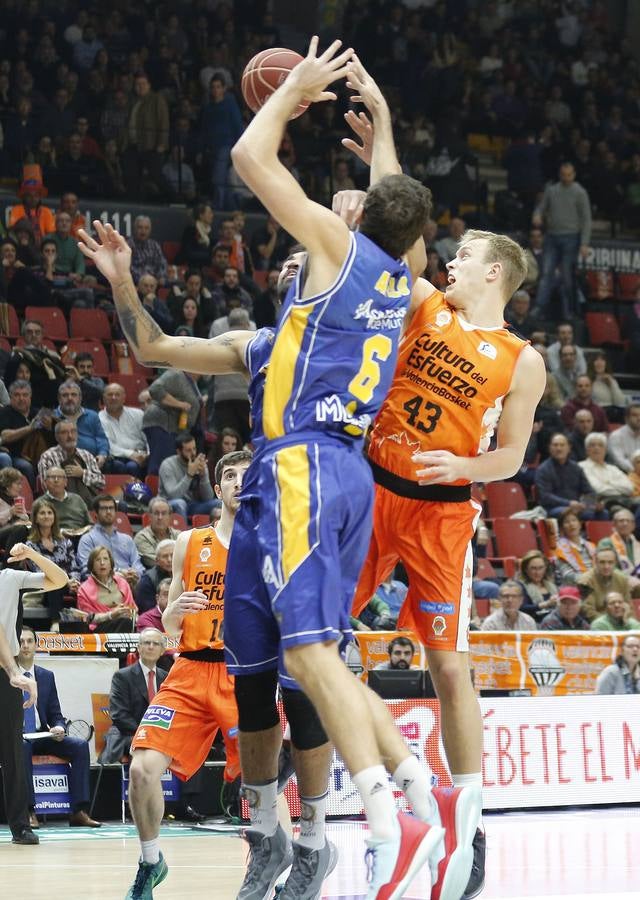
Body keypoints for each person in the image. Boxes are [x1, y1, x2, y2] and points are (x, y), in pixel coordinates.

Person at [78, 47, 462, 900]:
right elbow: (147, 347)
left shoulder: (344, 264)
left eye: (348, 209)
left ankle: (372, 814)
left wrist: (291, 93)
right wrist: (122, 282)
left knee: (308, 669)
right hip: (281, 486)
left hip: (316, 467)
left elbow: (260, 164)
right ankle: (272, 837)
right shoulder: (333, 308)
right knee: (262, 675)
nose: (322, 227)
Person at [344, 87, 545, 900]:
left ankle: (470, 819)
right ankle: (355, 803)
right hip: (369, 493)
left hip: (439, 514)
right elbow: (400, 219)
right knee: (316, 639)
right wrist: (387, 133)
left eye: (464, 256)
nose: (449, 261)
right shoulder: (426, 304)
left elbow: (511, 460)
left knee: (448, 665)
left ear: (494, 272)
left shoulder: (523, 360)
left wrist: (463, 470)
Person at [124, 451, 250, 899]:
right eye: (230, 476)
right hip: (191, 670)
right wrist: (171, 613)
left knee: (263, 783)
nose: (239, 483)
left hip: (244, 674)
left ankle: (273, 869)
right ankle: (150, 861)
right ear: (218, 490)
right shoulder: (191, 542)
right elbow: (170, 626)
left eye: (247, 476)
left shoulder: (272, 542)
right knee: (141, 770)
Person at [0, 542, 67, 845]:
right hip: (9, 670)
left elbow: (60, 580)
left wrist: (31, 554)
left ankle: (20, 825)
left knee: (13, 751)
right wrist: (15, 671)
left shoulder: (10, 578)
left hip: (5, 672)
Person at [18, 626, 101, 828]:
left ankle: (78, 811)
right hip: (17, 737)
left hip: (42, 734)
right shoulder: (7, 676)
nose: (26, 645)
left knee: (80, 746)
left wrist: (58, 727)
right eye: (21, 641)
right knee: (22, 746)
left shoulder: (46, 676)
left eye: (30, 641)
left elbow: (55, 713)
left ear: (37, 645)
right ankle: (28, 811)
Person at [100, 629, 169, 765]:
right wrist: (146, 733)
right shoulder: (122, 677)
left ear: (162, 651)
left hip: (159, 735)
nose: (150, 646)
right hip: (127, 734)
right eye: (146, 643)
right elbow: (119, 715)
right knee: (149, 749)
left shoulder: (167, 678)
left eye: (156, 644)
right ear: (138, 648)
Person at [533, 162, 591, 319]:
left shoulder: (580, 192)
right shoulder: (552, 190)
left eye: (569, 175)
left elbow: (586, 219)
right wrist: (537, 215)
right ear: (560, 175)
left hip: (571, 237)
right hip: (552, 236)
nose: (566, 178)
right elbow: (541, 207)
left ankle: (570, 310)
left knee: (567, 276)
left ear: (574, 174)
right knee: (546, 273)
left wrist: (584, 243)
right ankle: (539, 307)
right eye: (564, 175)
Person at [26, 498, 81, 627]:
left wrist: (73, 581)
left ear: (54, 517)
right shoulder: (31, 545)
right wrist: (64, 581)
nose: (46, 516)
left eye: (49, 513)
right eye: (42, 513)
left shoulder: (65, 542)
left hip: (69, 585)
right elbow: (39, 570)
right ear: (36, 518)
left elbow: (74, 567)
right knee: (54, 585)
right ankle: (55, 623)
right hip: (46, 585)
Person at [142, 368, 203, 475]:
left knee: (169, 464)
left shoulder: (194, 384)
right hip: (162, 423)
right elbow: (155, 389)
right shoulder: (176, 374)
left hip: (175, 428)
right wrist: (179, 404)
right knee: (161, 463)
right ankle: (153, 489)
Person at [534, 432, 604, 520]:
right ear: (549, 448)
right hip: (553, 508)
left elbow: (589, 491)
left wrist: (588, 504)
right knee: (569, 513)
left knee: (603, 513)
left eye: (562, 445)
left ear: (569, 448)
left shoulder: (576, 468)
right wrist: (569, 503)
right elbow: (545, 496)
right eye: (555, 445)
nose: (559, 448)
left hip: (576, 506)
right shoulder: (543, 469)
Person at [77, 494, 144, 584]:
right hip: (102, 585)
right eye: (104, 508)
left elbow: (138, 564)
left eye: (111, 508)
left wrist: (136, 574)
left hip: (130, 584)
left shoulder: (127, 539)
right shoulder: (87, 539)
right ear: (96, 514)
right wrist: (117, 574)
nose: (108, 512)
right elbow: (87, 570)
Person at [158, 432, 218, 521]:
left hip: (192, 505)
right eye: (188, 450)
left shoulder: (199, 463)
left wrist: (203, 476)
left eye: (194, 448)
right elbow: (173, 495)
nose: (193, 453)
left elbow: (208, 497)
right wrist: (189, 475)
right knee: (180, 503)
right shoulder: (168, 465)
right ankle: (183, 534)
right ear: (179, 451)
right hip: (168, 503)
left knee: (219, 503)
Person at [579, 433, 638, 522]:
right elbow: (597, 489)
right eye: (592, 445)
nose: (596, 448)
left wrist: (607, 483)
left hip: (624, 500)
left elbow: (629, 488)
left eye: (600, 445)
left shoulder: (613, 468)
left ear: (605, 450)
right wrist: (618, 487)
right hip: (598, 502)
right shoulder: (582, 466)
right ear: (587, 450)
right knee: (618, 510)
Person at [76, 545, 137, 631]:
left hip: (126, 623)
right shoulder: (83, 589)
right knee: (125, 622)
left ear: (111, 564)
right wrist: (111, 615)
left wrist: (129, 613)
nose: (102, 563)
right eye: (97, 560)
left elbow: (133, 609)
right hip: (99, 629)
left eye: (105, 559)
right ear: (92, 566)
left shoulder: (123, 583)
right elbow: (87, 618)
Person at [0, 379, 44, 487]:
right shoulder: (5, 412)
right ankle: (33, 496)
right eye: (17, 395)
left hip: (37, 454)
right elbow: (5, 436)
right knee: (26, 466)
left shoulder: (38, 413)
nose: (21, 398)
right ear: (10, 397)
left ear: (30, 397)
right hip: (14, 455)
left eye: (25, 395)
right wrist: (30, 428)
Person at [99, 383, 149, 478]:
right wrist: (130, 454)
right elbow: (107, 445)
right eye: (110, 394)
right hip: (116, 457)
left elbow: (148, 438)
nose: (113, 397)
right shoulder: (99, 418)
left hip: (140, 455)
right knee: (126, 466)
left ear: (124, 398)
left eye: (117, 394)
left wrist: (148, 455)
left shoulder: (138, 414)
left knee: (133, 466)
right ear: (104, 398)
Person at [55, 379, 109, 466]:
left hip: (92, 460)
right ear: (59, 398)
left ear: (80, 398)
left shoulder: (92, 415)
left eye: (73, 395)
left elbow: (101, 439)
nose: (70, 398)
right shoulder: (52, 417)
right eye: (65, 395)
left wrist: (102, 454)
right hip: (63, 461)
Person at [578, 547, 632, 622]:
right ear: (595, 563)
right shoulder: (585, 581)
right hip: (597, 626)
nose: (606, 566)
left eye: (610, 562)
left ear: (615, 563)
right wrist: (611, 624)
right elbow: (588, 612)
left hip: (620, 623)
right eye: (602, 562)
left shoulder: (622, 579)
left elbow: (628, 607)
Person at [41, 467, 92, 536]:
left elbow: (90, 523)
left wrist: (87, 529)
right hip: (56, 538)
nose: (56, 480)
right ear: (45, 482)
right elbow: (38, 530)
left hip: (82, 536)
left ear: (65, 482)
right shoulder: (40, 503)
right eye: (52, 477)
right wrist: (60, 532)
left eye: (60, 477)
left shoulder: (77, 499)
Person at [134, 498, 180, 569]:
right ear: (150, 516)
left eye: (164, 513)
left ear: (170, 517)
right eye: (156, 513)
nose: (160, 517)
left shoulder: (179, 535)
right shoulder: (142, 537)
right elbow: (153, 562)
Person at [553, 509, 596, 582]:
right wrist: (593, 580)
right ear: (561, 528)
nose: (571, 524)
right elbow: (568, 576)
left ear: (580, 524)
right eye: (567, 522)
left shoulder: (591, 546)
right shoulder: (559, 549)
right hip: (573, 587)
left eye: (574, 520)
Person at [517, 549, 559, 624]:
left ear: (545, 568)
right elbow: (521, 608)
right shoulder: (520, 586)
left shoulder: (551, 585)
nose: (537, 572)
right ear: (526, 569)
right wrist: (545, 604)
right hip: (533, 623)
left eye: (541, 568)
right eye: (533, 568)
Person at [598, 508, 640, 581]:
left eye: (628, 521)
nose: (625, 523)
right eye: (621, 521)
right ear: (614, 525)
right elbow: (606, 567)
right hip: (615, 581)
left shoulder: (637, 544)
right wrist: (628, 579)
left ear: (633, 526)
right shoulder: (606, 543)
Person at [134, 540, 175, 613]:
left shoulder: (187, 573)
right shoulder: (147, 580)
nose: (169, 560)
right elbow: (146, 610)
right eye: (165, 556)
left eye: (173, 555)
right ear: (157, 560)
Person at [127, 215, 168, 285]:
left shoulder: (154, 245)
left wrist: (160, 276)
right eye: (140, 227)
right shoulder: (128, 245)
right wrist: (144, 279)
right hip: (136, 283)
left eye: (146, 228)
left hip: (155, 282)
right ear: (134, 229)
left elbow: (162, 263)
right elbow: (128, 267)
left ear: (150, 230)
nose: (143, 231)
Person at [588, 351, 626, 423]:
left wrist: (611, 384)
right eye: (596, 360)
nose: (599, 363)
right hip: (595, 412)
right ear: (592, 364)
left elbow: (620, 402)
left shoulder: (611, 380)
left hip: (611, 412)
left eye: (602, 360)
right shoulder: (588, 380)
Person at [0, 466, 31, 555]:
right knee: (19, 529)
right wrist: (10, 512)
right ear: (7, 485)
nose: (20, 487)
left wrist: (23, 517)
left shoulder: (18, 499)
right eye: (17, 484)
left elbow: (25, 519)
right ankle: (8, 564)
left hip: (15, 533)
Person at [609, 404, 640, 474]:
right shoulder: (616, 436)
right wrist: (637, 471)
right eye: (635, 415)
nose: (639, 418)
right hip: (623, 474)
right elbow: (619, 460)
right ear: (626, 419)